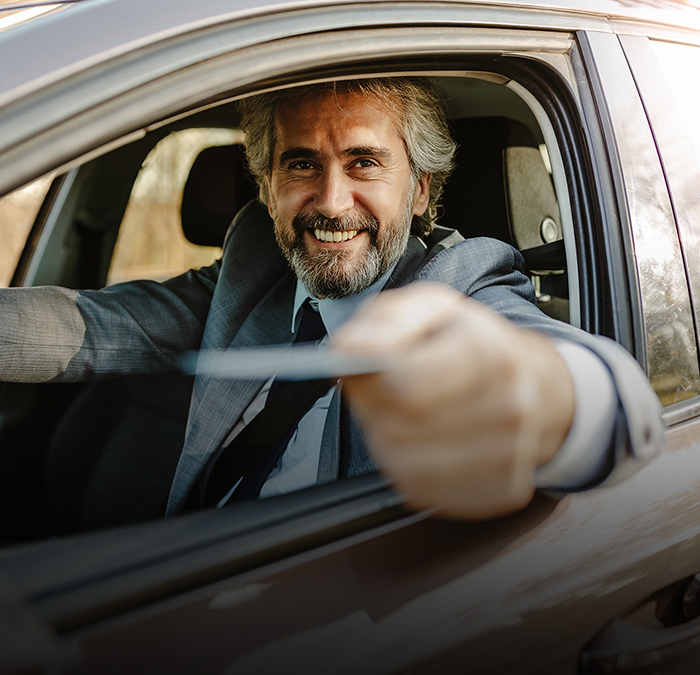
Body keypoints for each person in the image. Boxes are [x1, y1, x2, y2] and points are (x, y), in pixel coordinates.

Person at [0, 77, 664, 521]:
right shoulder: (250, 276)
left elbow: (614, 405)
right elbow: (94, 324)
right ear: (266, 187)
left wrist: (540, 393)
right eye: (301, 164)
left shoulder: (463, 284)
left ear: (422, 190)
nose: (330, 201)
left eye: (365, 163)